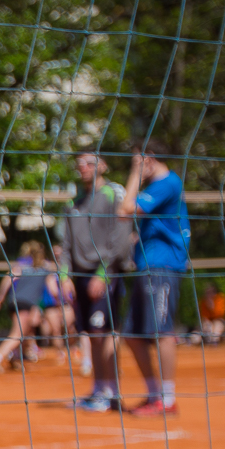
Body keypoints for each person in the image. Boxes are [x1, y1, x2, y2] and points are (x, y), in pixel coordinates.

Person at [57, 152, 135, 412]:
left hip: (104, 274)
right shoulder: (74, 201)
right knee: (91, 334)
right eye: (80, 163)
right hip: (79, 276)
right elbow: (66, 244)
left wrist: (103, 274)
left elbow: (119, 238)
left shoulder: (113, 194)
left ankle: (110, 392)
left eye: (90, 163)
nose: (84, 167)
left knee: (104, 332)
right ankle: (99, 390)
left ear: (102, 166)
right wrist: (64, 276)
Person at [116, 147, 190, 416]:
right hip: (148, 265)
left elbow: (125, 209)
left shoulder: (167, 183)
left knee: (162, 332)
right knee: (132, 335)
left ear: (149, 159)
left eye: (137, 161)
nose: (136, 166)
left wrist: (135, 173)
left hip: (162, 267)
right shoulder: (160, 187)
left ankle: (167, 399)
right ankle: (154, 394)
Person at [0, 246, 53, 372]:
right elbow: (53, 289)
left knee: (24, 332)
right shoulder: (45, 269)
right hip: (25, 304)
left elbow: (8, 278)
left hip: (14, 301)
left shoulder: (23, 267)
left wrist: (0, 295)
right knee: (18, 334)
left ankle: (14, 359)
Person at [197, 280, 225, 346]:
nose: (208, 294)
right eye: (207, 293)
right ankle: (208, 343)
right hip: (208, 321)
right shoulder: (203, 301)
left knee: (216, 328)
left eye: (210, 292)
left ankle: (214, 343)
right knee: (207, 327)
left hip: (219, 320)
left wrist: (212, 306)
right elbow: (204, 315)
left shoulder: (220, 299)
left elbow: (220, 314)